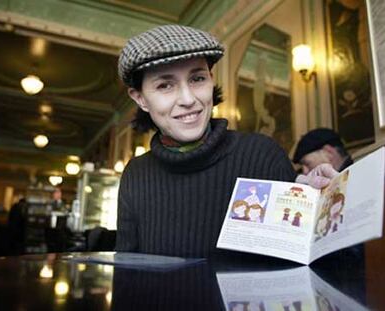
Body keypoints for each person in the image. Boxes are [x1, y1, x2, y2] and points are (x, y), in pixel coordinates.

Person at [115, 24, 337, 258]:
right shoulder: (136, 174)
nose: (188, 99)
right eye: (165, 85)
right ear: (140, 98)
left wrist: (321, 201)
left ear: (211, 79)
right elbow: (128, 271)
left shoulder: (260, 154)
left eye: (197, 78)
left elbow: (304, 258)